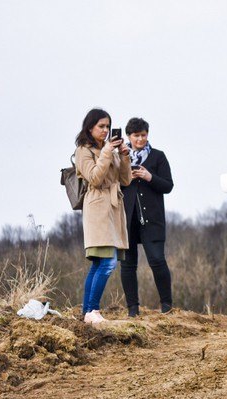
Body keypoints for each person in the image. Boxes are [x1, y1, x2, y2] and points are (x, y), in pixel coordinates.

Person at [74, 108, 132, 324]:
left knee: (99, 263)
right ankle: (93, 310)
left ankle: (88, 312)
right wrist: (108, 151)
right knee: (107, 261)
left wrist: (124, 156)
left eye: (108, 126)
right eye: (101, 126)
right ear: (90, 127)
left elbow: (126, 181)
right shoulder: (83, 151)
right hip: (98, 208)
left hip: (115, 209)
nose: (106, 130)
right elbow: (95, 178)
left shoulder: (112, 152)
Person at [120, 117, 175, 317]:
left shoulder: (158, 157)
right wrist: (127, 177)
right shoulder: (120, 157)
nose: (141, 139)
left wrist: (149, 177)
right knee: (127, 265)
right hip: (126, 220)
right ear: (129, 136)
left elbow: (168, 186)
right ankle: (132, 310)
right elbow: (112, 184)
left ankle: (167, 307)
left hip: (153, 220)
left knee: (157, 261)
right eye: (136, 136)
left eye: (144, 135)